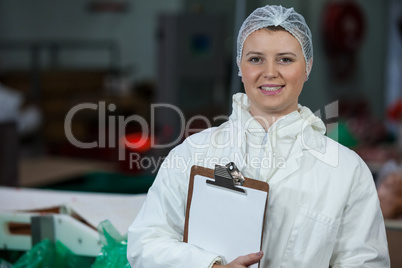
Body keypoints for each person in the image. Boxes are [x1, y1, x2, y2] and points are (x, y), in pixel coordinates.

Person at [127, 5, 390, 267]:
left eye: (285, 59)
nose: (270, 72)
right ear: (240, 65)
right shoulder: (194, 152)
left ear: (307, 66)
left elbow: (365, 262)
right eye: (255, 59)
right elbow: (146, 244)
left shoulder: (345, 170)